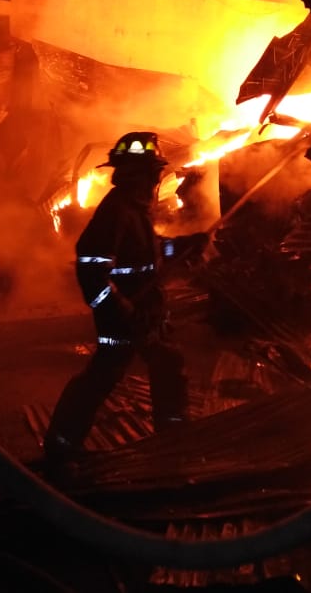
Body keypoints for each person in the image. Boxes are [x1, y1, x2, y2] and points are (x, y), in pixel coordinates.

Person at [43, 131, 208, 468]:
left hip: (143, 310)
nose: (157, 180)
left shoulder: (134, 209)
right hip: (123, 314)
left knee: (166, 364)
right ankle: (61, 445)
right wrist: (118, 308)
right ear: (141, 174)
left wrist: (187, 244)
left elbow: (149, 252)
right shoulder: (117, 211)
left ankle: (172, 438)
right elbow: (91, 264)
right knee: (104, 374)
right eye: (154, 173)